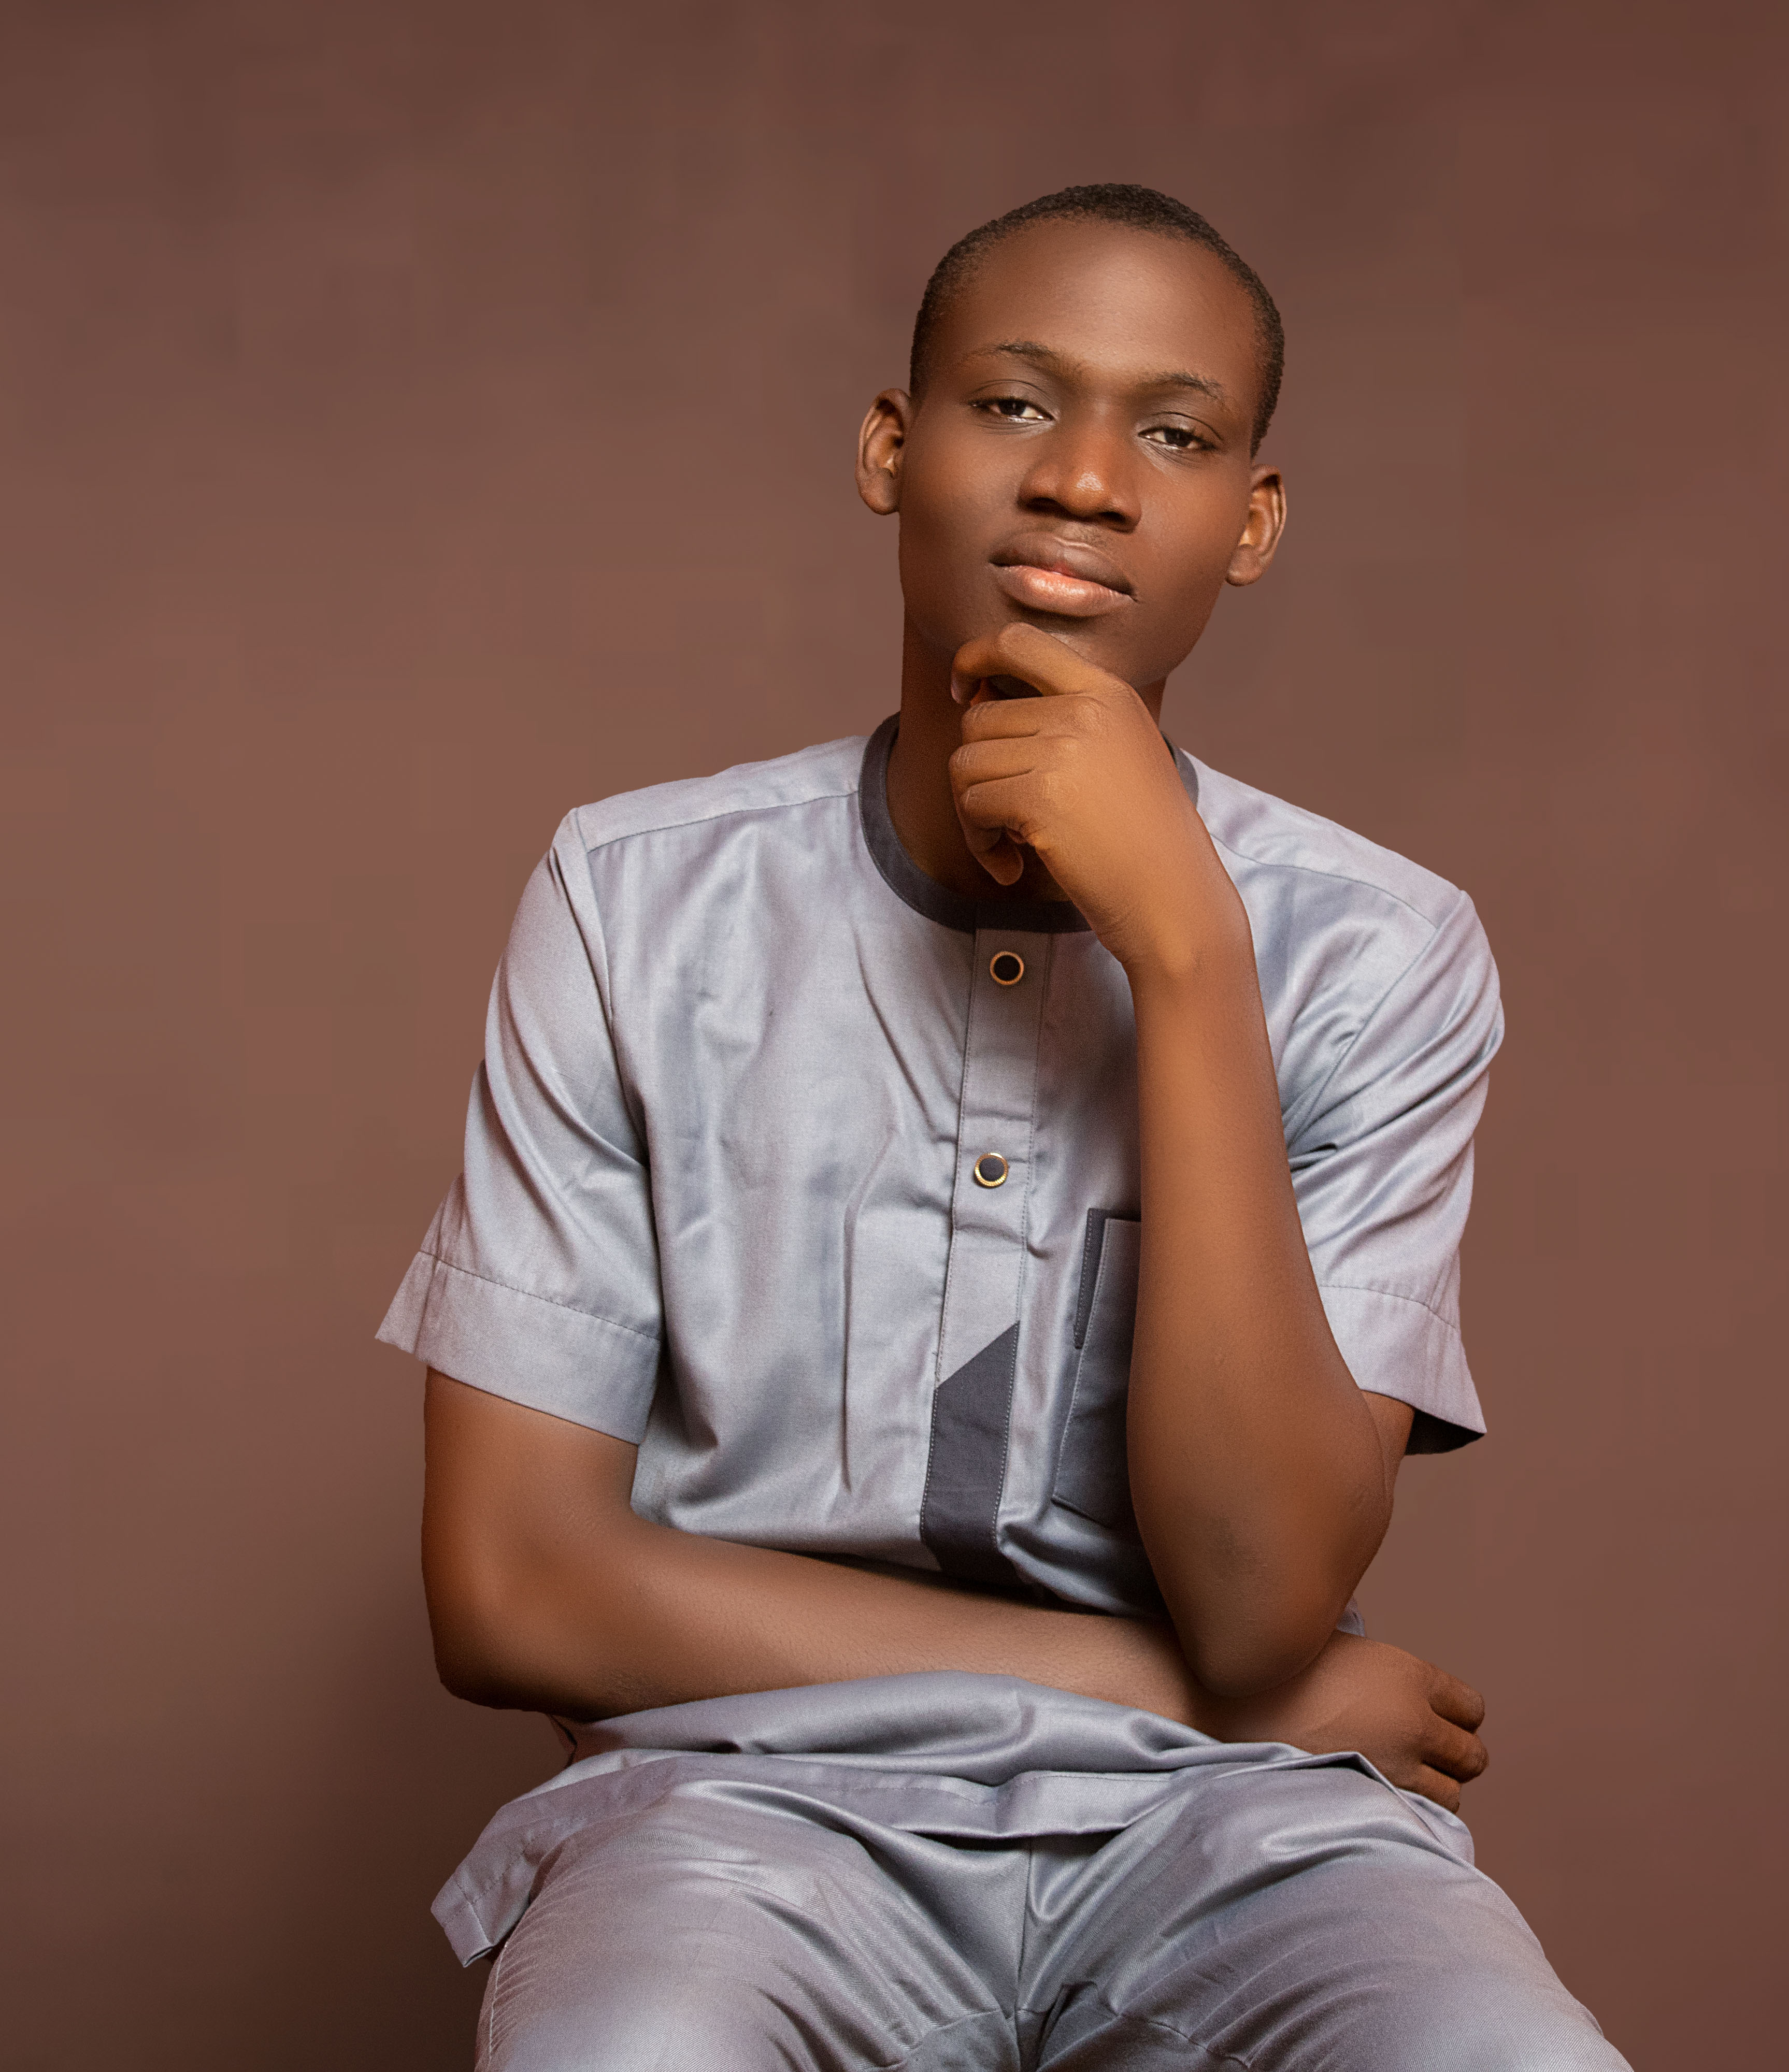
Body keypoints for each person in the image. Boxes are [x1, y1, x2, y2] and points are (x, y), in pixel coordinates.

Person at [380, 183, 1629, 2070]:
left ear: (1252, 522)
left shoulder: (1381, 950)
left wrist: (1188, 950)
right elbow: (514, 1589)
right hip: (736, 1815)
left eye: (1178, 435)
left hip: (1245, 1837)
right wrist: (1182, 1696)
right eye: (1018, 403)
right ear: (892, 449)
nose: (1088, 482)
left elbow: (1263, 1600)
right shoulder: (635, 899)